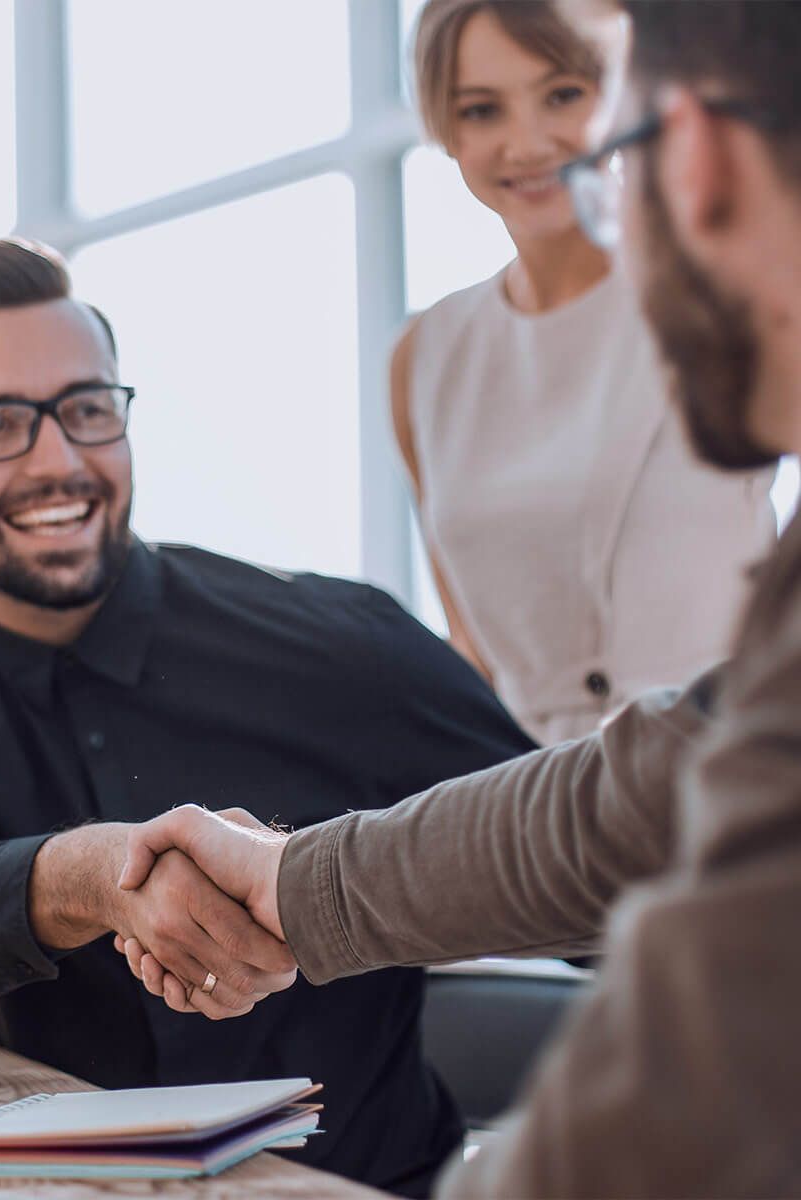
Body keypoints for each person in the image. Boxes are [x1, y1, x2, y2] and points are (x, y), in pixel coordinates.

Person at [116, 3, 801, 1191]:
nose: (568, 170)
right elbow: (644, 772)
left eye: (606, 142)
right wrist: (297, 882)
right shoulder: (431, 356)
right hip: (542, 831)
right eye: (480, 107)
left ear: (695, 159)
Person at [0, 239, 537, 1195]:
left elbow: (568, 860)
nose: (58, 460)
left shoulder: (346, 641)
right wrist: (94, 876)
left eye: (85, 410)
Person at [394, 0, 774, 743]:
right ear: (447, 127)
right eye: (481, 110)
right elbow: (471, 650)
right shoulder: (426, 357)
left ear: (622, 92)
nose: (527, 143)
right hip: (534, 814)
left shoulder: (717, 279)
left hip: (738, 773)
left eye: (562, 94)